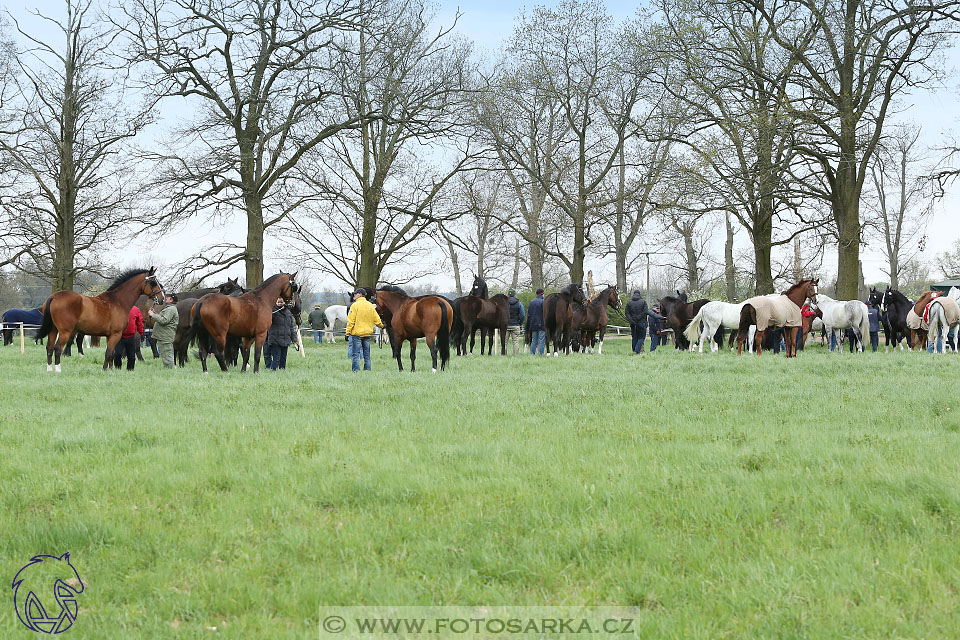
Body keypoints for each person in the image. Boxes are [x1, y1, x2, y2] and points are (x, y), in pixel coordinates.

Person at [345, 288, 383, 371]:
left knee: (356, 355)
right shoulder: (370, 305)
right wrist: (381, 326)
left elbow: (351, 321)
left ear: (360, 294)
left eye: (355, 293)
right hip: (367, 334)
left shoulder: (354, 305)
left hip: (357, 334)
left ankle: (356, 371)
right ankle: (367, 370)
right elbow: (376, 319)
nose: (354, 295)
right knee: (367, 355)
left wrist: (347, 333)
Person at [266, 297, 298, 370]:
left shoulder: (288, 313)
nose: (280, 304)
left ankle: (282, 372)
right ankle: (273, 372)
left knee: (283, 359)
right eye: (278, 302)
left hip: (285, 339)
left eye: (282, 302)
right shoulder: (273, 312)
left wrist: (294, 339)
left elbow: (291, 327)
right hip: (275, 340)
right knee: (276, 358)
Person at [149, 293, 179, 368]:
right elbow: (163, 318)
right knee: (165, 355)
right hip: (164, 335)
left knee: (167, 355)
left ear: (171, 300)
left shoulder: (171, 309)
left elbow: (164, 320)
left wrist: (153, 315)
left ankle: (171, 371)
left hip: (166, 336)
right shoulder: (169, 309)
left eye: (166, 299)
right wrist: (155, 313)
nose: (165, 300)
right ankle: (168, 370)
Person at [113, 304, 144, 371]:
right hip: (119, 337)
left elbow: (140, 323)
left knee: (131, 356)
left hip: (131, 337)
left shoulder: (136, 309)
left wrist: (141, 333)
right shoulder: (117, 309)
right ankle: (118, 369)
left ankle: (130, 370)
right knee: (117, 354)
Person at [526, 288, 546, 355]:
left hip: (533, 324)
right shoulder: (543, 302)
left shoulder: (532, 302)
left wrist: (528, 325)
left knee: (534, 340)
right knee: (541, 340)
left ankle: (532, 354)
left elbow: (529, 314)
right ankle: (540, 354)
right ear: (542, 293)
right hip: (542, 324)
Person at [506, 290, 525, 355]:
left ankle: (504, 355)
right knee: (515, 342)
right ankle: (516, 355)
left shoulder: (505, 303)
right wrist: (520, 323)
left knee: (505, 342)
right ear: (514, 295)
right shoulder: (519, 303)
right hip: (516, 324)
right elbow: (522, 315)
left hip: (506, 325)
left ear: (508, 295)